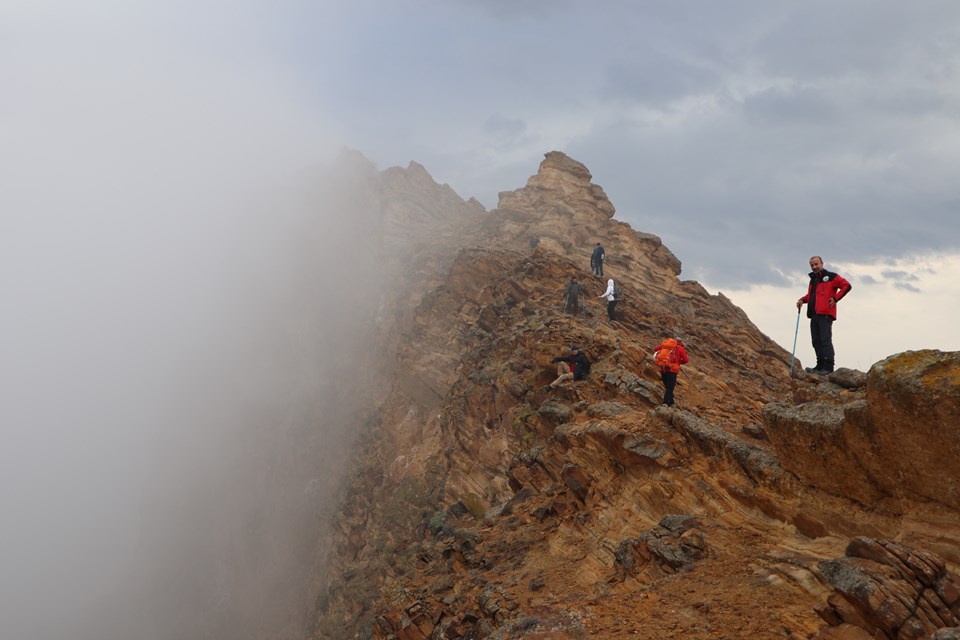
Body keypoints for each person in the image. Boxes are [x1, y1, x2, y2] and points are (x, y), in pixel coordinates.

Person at [796, 256, 852, 375]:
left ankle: (828, 367)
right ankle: (819, 365)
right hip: (814, 314)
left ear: (822, 263)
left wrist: (835, 298)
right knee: (816, 341)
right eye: (812, 265)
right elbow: (811, 295)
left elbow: (846, 285)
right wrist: (802, 300)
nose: (814, 267)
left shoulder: (831, 276)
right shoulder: (813, 279)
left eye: (816, 264)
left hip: (825, 313)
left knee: (825, 340)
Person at [653, 337, 689, 407]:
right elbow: (686, 360)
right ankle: (666, 402)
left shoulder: (665, 346)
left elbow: (655, 349)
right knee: (670, 387)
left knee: (668, 386)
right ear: (680, 342)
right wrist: (678, 362)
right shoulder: (680, 348)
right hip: (672, 370)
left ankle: (671, 402)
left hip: (663, 368)